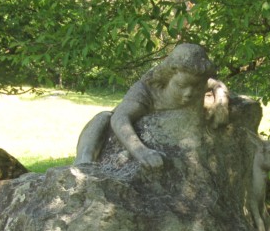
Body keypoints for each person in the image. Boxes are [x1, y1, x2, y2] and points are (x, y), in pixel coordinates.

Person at [74, 43, 229, 168]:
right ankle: (83, 162)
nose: (189, 93)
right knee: (102, 118)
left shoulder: (195, 79)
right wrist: (142, 152)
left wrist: (222, 102)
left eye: (196, 87)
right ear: (169, 75)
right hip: (111, 138)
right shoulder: (146, 88)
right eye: (181, 85)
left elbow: (215, 84)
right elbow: (120, 117)